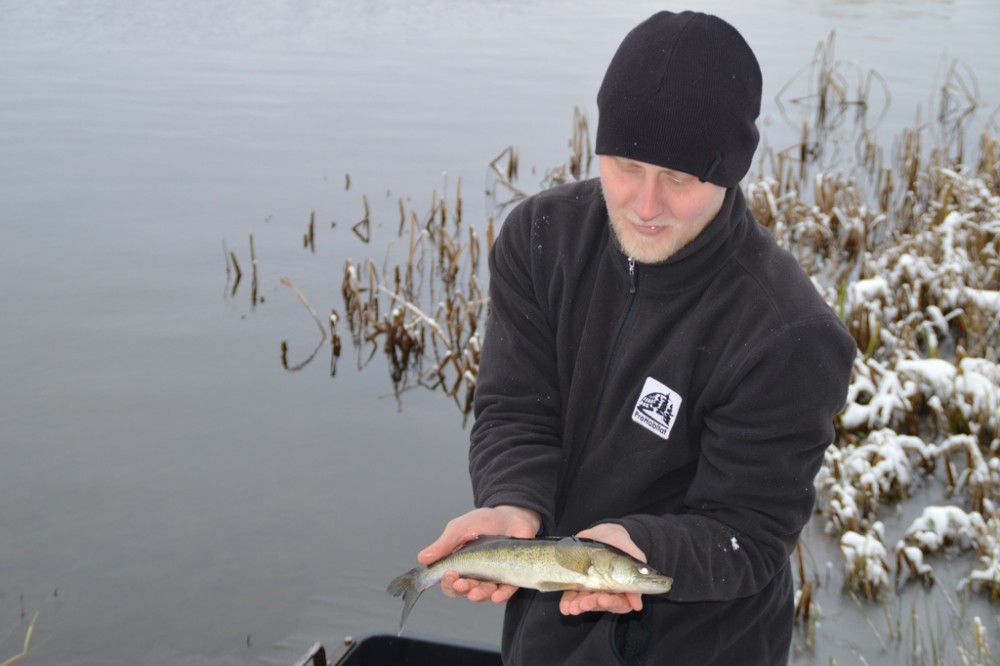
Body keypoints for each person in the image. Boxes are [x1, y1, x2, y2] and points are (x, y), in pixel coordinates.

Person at [416, 10, 857, 665]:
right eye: (626, 165)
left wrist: (638, 549)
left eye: (679, 178)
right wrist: (512, 504)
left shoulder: (788, 334)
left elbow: (750, 533)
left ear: (731, 171)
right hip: (550, 622)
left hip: (700, 645)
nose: (645, 206)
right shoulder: (540, 240)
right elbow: (516, 409)